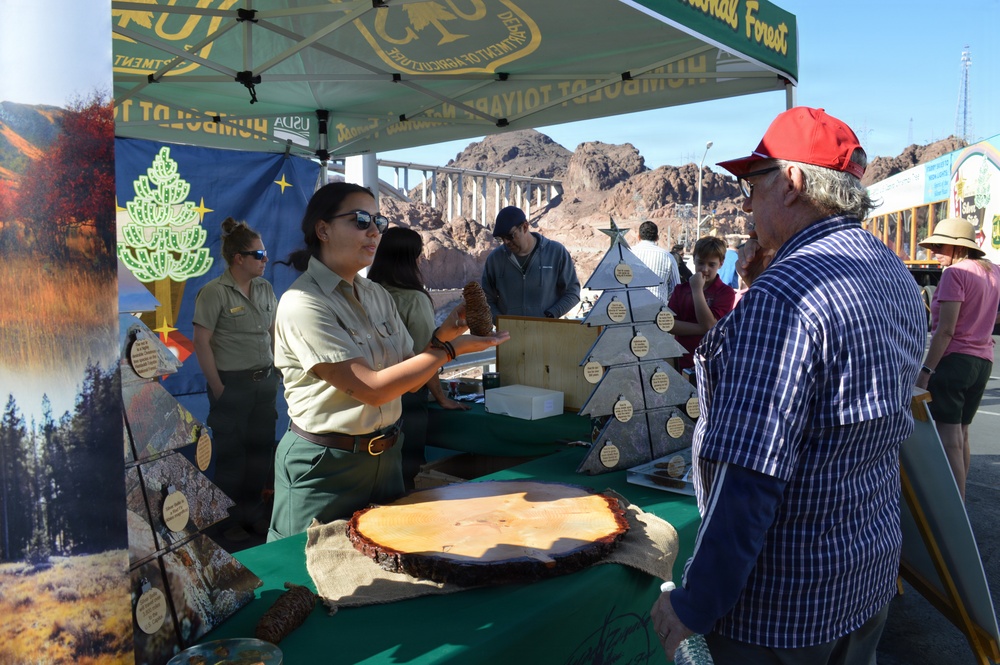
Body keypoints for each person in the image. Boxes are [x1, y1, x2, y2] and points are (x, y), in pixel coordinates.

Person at [651, 107, 926, 664]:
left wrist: (695, 604)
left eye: (752, 184)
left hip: (784, 613)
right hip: (864, 576)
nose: (745, 202)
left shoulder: (785, 299)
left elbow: (748, 476)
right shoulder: (891, 270)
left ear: (794, 183)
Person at [268, 182, 507, 541]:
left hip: (387, 457)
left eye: (378, 221)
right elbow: (373, 390)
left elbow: (407, 377)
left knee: (387, 563)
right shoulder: (304, 302)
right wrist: (450, 351)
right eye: (361, 219)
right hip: (325, 466)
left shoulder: (376, 294)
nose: (374, 231)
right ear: (323, 229)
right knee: (303, 573)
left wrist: (442, 337)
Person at [192, 217, 279, 542]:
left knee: (259, 455)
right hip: (232, 385)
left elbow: (273, 333)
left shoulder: (266, 288)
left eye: (265, 253)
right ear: (238, 258)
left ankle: (252, 517)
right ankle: (225, 525)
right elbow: (202, 343)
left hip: (264, 385)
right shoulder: (214, 293)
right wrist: (219, 388)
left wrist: (278, 372)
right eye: (258, 254)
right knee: (231, 459)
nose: (265, 259)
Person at [368, 227, 471, 490]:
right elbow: (428, 355)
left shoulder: (367, 293)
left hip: (371, 395)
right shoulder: (413, 299)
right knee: (408, 471)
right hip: (408, 399)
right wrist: (441, 398)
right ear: (410, 259)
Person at [915, 217, 1000, 501]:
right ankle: (960, 501)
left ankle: (956, 504)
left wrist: (926, 370)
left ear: (956, 248)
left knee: (948, 438)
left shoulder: (955, 274)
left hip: (954, 363)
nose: (934, 252)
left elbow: (946, 330)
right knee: (962, 433)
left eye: (940, 246)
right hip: (983, 361)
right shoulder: (994, 271)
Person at [481, 205, 580, 319]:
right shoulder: (495, 259)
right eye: (501, 238)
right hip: (508, 335)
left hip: (546, 332)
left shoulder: (556, 253)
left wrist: (552, 315)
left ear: (525, 227)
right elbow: (486, 298)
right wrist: (500, 321)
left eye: (510, 236)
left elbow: (573, 292)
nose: (506, 242)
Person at [665, 236, 735, 372]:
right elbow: (669, 324)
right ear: (694, 260)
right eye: (701, 263)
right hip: (682, 359)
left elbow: (709, 324)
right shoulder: (681, 290)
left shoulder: (725, 293)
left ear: (721, 263)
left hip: (710, 363)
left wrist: (697, 290)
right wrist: (703, 328)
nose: (705, 269)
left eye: (711, 264)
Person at [630, 220, 680, 302]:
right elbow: (675, 288)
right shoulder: (668, 257)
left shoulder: (628, 253)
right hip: (659, 310)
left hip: (631, 306)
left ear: (638, 237)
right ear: (657, 238)